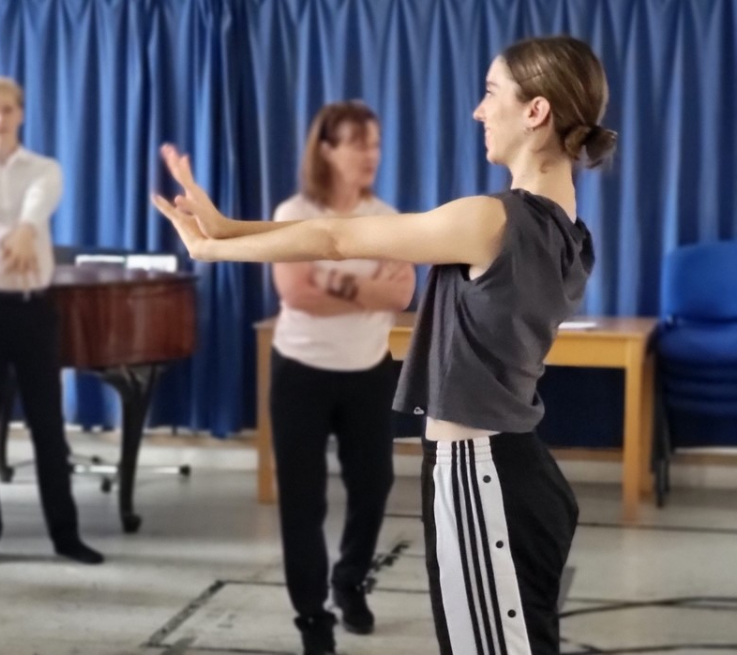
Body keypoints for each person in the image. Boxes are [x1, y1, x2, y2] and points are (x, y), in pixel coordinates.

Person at [153, 35, 616, 655]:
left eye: (491, 92)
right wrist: (230, 227)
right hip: (514, 472)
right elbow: (338, 231)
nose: (479, 110)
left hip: (481, 475)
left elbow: (337, 241)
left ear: (536, 111)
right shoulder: (567, 227)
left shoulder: (493, 219)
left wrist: (213, 247)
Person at [267, 101, 415, 653]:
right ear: (327, 150)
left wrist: (333, 280)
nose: (370, 154)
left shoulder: (387, 219)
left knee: (374, 485)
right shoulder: (294, 213)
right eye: (357, 143)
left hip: (367, 372)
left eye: (375, 143)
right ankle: (312, 617)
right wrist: (365, 287)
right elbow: (296, 294)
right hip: (300, 373)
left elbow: (402, 294)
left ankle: (349, 581)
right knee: (303, 502)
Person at [0, 76, 102, 570]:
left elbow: (38, 205)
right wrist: (12, 241)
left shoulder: (45, 168)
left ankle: (66, 536)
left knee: (48, 427)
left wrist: (28, 231)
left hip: (34, 310)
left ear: (21, 114)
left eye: (7, 109)